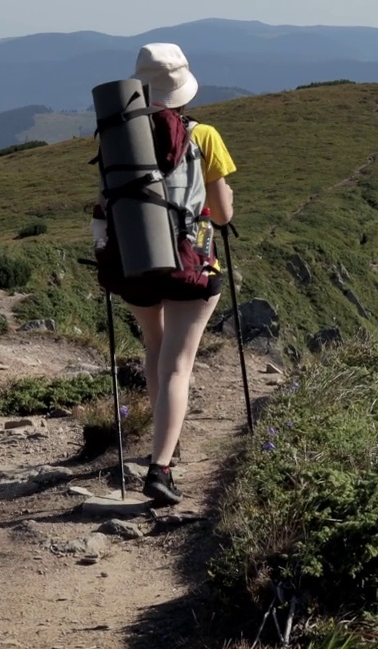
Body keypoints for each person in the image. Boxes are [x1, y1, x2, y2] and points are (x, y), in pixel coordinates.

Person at [106, 43, 237, 507]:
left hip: (136, 265)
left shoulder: (119, 135)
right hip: (190, 266)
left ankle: (166, 438)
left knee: (155, 349)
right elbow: (221, 214)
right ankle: (160, 469)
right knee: (178, 364)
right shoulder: (205, 136)